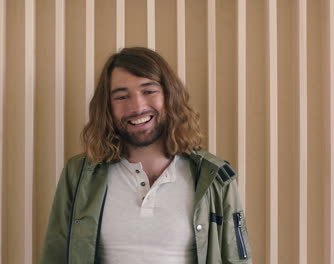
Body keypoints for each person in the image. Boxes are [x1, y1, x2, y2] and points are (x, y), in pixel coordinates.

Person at [40, 47, 252, 264]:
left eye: (148, 91)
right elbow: (54, 256)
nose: (137, 106)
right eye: (122, 96)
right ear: (107, 108)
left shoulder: (215, 177)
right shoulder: (79, 175)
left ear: (170, 96)